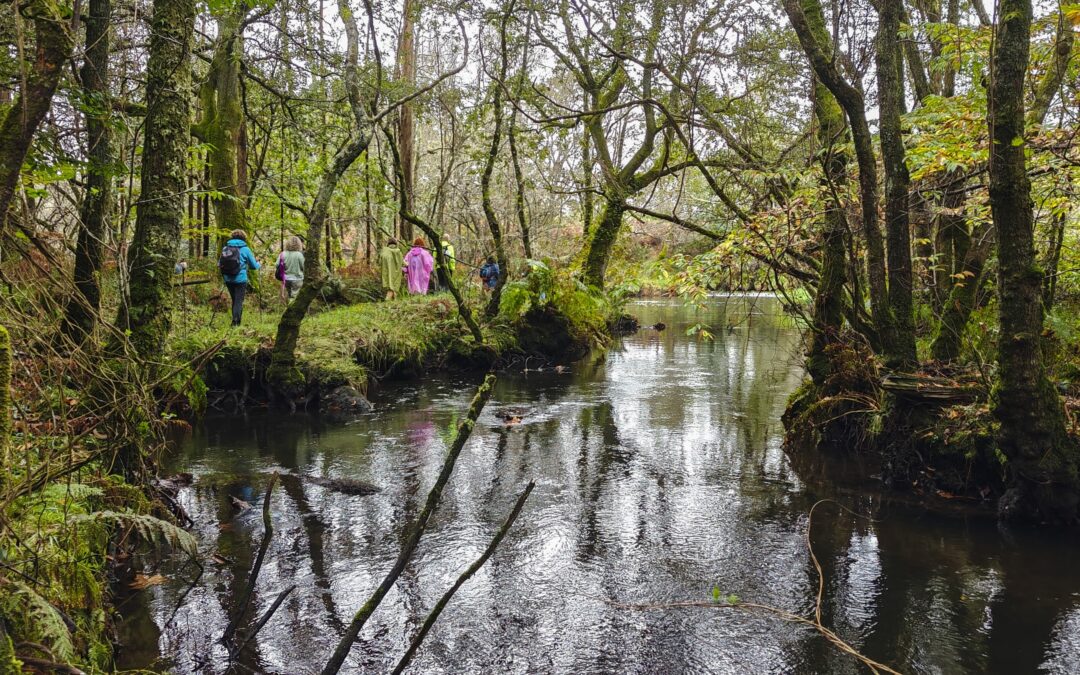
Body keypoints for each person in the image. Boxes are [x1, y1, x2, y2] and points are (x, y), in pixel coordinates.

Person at [219, 229, 260, 326]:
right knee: (238, 301)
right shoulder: (246, 249)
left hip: (228, 278)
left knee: (235, 300)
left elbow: (220, 263)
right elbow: (254, 266)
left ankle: (236, 321)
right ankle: (235, 322)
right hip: (240, 279)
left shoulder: (226, 248)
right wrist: (259, 264)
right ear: (244, 238)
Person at [278, 235, 305, 301]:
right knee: (294, 298)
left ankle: (290, 308)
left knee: (290, 295)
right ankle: (292, 310)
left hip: (286, 279)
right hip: (298, 279)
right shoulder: (299, 255)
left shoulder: (283, 254)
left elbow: (277, 265)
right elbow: (303, 267)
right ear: (299, 244)